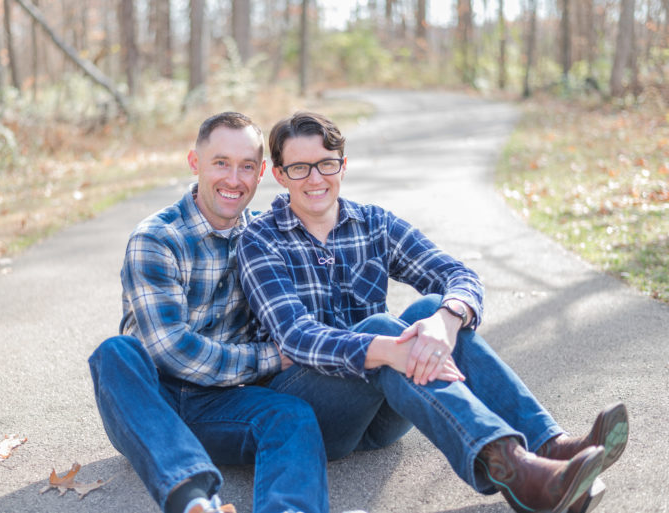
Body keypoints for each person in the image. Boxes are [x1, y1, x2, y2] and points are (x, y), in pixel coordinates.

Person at [237, 111, 630, 513]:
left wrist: (446, 321)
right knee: (381, 328)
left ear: (343, 164)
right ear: (281, 176)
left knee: (430, 307)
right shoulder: (260, 239)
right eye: (300, 168)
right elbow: (297, 336)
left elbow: (458, 275)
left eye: (326, 164)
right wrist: (387, 347)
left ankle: (550, 446)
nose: (316, 179)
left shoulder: (373, 223)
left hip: (384, 413)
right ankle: (514, 471)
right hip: (317, 412)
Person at [88, 112, 337, 513]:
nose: (233, 180)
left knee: (291, 413)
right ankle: (193, 502)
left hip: (221, 403)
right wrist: (273, 356)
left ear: (261, 175)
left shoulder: (263, 240)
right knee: (116, 352)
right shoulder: (157, 238)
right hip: (151, 402)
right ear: (195, 163)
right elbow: (172, 349)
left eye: (246, 167)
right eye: (221, 163)